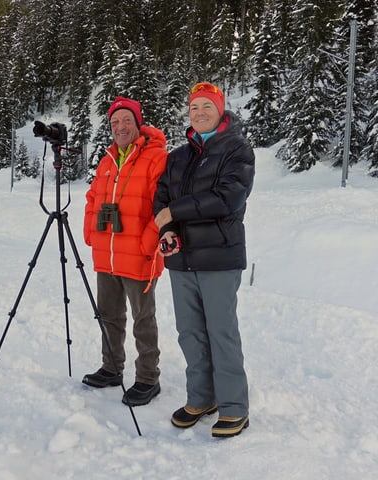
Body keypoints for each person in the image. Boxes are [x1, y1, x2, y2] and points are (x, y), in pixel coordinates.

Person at [153, 82, 255, 438]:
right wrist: (165, 230)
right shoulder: (178, 156)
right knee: (190, 333)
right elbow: (161, 197)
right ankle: (201, 398)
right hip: (181, 259)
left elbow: (227, 198)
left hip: (219, 258)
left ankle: (233, 408)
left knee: (221, 332)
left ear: (220, 110)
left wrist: (172, 213)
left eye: (206, 107)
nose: (199, 113)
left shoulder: (237, 150)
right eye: (194, 107)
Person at [82, 96, 168, 407]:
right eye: (114, 122)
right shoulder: (107, 160)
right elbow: (93, 198)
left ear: (138, 123)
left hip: (139, 254)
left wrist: (148, 244)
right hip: (107, 253)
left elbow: (164, 206)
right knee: (109, 315)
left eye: (126, 121)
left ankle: (148, 378)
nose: (120, 127)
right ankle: (111, 368)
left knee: (143, 319)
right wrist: (91, 231)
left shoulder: (156, 157)